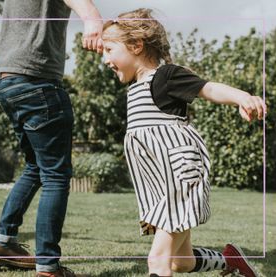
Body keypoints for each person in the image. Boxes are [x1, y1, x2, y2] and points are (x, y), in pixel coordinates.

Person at [101, 8, 265, 277]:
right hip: (161, 187)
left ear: (136, 45)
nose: (105, 60)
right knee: (181, 262)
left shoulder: (165, 76)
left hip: (179, 179)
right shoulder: (136, 88)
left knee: (158, 261)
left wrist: (242, 97)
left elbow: (208, 88)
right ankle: (230, 261)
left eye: (109, 50)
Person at [0, 0, 102, 276]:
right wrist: (92, 18)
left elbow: (5, 31)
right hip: (36, 79)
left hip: (6, 79)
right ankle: (48, 265)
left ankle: (3, 243)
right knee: (56, 175)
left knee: (35, 166)